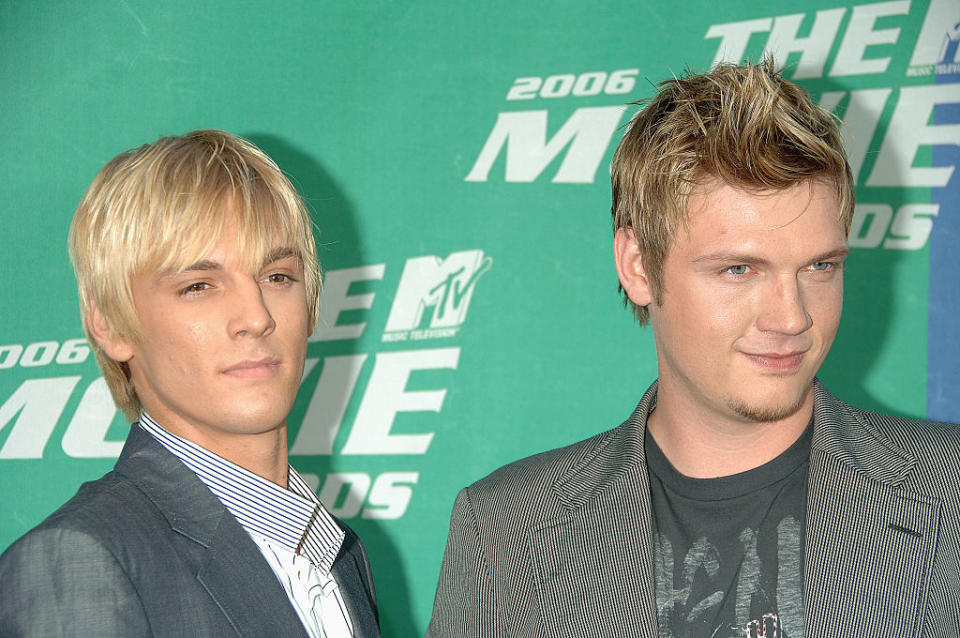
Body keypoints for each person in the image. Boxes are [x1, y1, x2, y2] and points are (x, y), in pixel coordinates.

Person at [427, 61, 960, 637]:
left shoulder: (947, 492)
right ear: (638, 267)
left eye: (819, 266)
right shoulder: (507, 530)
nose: (792, 316)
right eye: (738, 269)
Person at [0, 130, 380, 637]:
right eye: (198, 286)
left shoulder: (340, 555)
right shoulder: (79, 561)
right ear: (110, 325)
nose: (256, 317)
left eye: (278, 276)